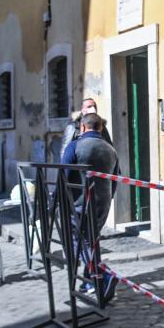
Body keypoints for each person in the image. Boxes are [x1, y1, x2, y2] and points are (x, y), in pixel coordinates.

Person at [61, 112, 119, 302]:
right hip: (103, 203)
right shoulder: (111, 150)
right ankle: (91, 282)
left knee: (80, 241)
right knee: (91, 241)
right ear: (101, 128)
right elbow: (115, 179)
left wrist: (57, 199)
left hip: (79, 204)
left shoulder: (75, 146)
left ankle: (103, 275)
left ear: (83, 127)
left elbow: (64, 175)